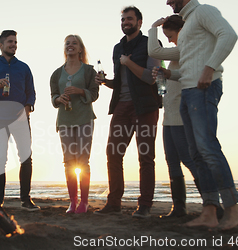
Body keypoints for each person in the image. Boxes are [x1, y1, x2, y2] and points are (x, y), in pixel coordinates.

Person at [152, 0, 238, 229]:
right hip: (188, 91)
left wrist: (210, 66)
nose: (167, 2)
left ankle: (233, 211)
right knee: (196, 153)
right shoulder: (187, 24)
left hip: (204, 89)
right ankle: (209, 212)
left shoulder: (204, 11)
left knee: (207, 148)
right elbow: (189, 66)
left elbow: (229, 35)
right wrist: (169, 74)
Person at [94, 6, 161, 218]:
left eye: (129, 19)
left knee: (146, 156)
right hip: (121, 107)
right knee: (113, 154)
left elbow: (151, 77)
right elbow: (121, 81)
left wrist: (128, 62)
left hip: (145, 107)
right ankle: (114, 203)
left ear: (139, 22)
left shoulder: (151, 44)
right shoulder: (117, 48)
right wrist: (105, 81)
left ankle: (145, 206)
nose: (125, 23)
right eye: (123, 20)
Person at [147, 15, 200, 218]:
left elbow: (154, 51)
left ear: (181, 32)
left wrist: (153, 28)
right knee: (171, 160)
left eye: (170, 36)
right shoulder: (175, 57)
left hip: (179, 116)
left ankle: (212, 204)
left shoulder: (184, 49)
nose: (169, 40)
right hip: (168, 117)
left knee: (188, 158)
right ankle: (179, 208)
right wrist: (163, 76)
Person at [0, 30, 39, 211]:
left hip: (21, 120)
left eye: (15, 42)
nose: (13, 45)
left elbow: (31, 92)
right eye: (9, 42)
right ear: (1, 45)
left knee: (26, 159)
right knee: (0, 160)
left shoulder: (24, 67)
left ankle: (25, 200)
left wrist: (28, 107)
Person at [50, 35, 99, 214]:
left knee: (83, 161)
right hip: (65, 120)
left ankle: (84, 202)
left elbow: (94, 94)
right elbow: (53, 97)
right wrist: (59, 98)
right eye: (67, 43)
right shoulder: (57, 73)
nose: (70, 46)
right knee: (69, 162)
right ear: (65, 49)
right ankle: (73, 201)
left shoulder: (89, 71)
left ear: (80, 49)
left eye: (74, 43)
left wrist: (80, 91)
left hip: (84, 118)